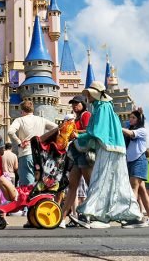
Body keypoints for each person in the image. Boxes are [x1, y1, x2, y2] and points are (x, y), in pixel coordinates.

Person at [69, 81, 147, 229]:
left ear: (96, 94)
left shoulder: (103, 108)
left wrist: (79, 138)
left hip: (108, 148)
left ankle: (94, 215)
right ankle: (133, 216)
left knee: (100, 179)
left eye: (89, 93)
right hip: (114, 148)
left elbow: (97, 132)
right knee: (119, 183)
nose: (87, 97)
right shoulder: (104, 108)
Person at [8, 100, 58, 187]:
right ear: (32, 110)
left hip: (26, 154)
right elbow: (57, 128)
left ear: (22, 111)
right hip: (41, 155)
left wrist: (19, 142)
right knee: (42, 183)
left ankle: (30, 200)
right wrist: (46, 141)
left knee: (27, 186)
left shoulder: (19, 120)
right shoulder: (41, 120)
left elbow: (10, 132)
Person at [122, 109, 149, 227]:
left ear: (138, 120)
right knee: (142, 191)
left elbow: (131, 133)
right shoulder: (130, 126)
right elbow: (127, 126)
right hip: (131, 161)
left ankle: (134, 217)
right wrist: (138, 113)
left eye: (133, 117)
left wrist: (141, 115)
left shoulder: (142, 131)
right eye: (130, 117)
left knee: (134, 188)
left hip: (139, 161)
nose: (130, 119)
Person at [60, 95, 92, 228]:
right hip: (76, 153)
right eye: (73, 104)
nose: (74, 106)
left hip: (83, 153)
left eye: (77, 103)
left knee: (91, 185)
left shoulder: (86, 115)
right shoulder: (76, 118)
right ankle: (61, 218)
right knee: (72, 186)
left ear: (83, 104)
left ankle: (90, 216)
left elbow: (90, 131)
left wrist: (74, 132)